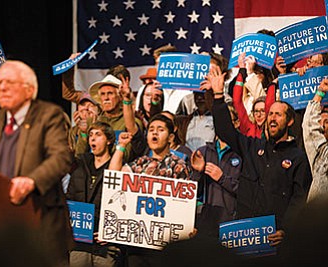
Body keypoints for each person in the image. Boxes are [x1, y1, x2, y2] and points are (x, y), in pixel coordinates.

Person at [0, 60, 74, 267]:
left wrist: (32, 181)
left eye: (10, 82)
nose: (3, 88)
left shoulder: (48, 116)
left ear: (29, 89)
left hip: (40, 218)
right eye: (0, 83)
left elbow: (61, 157)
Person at [207, 66, 312, 253]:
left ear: (289, 121)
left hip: (274, 243)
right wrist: (217, 96)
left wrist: (287, 230)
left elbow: (299, 201)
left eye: (278, 115)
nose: (272, 118)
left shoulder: (298, 159)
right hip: (244, 236)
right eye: (270, 113)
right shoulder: (252, 147)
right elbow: (225, 131)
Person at [109, 113, 193, 267]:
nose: (154, 132)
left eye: (160, 129)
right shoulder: (140, 163)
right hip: (138, 244)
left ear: (170, 137)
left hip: (163, 245)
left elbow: (183, 205)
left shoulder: (178, 165)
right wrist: (121, 147)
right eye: (151, 129)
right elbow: (114, 177)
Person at [67, 121, 123, 267]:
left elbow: (124, 208)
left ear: (109, 140)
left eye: (98, 135)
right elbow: (70, 199)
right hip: (79, 244)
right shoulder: (80, 165)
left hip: (105, 246)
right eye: (91, 135)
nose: (93, 138)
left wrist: (112, 233)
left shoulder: (119, 169)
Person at [190, 102, 241, 239]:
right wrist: (198, 172)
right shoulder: (203, 152)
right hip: (206, 224)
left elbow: (248, 191)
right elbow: (193, 192)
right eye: (218, 120)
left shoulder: (243, 153)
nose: (221, 124)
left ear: (236, 123)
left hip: (232, 224)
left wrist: (222, 178)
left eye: (227, 120)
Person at [232, 52, 279, 138]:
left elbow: (269, 105)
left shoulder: (273, 128)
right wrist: (242, 71)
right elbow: (236, 101)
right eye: (256, 111)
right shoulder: (249, 127)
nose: (259, 115)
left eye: (262, 111)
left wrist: (272, 85)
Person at [302, 77, 328, 202]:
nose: (323, 126)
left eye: (327, 122)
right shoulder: (323, 157)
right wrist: (320, 92)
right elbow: (309, 126)